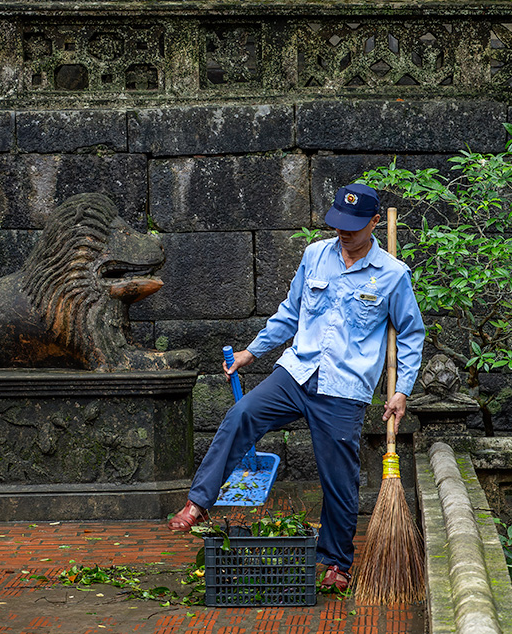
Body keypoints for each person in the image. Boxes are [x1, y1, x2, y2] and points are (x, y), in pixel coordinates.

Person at [167, 183, 425, 592]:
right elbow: (290, 313)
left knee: (338, 478)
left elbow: (411, 335)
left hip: (344, 388)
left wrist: (401, 391)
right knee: (241, 414)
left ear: (375, 223)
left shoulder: (393, 276)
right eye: (339, 222)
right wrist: (252, 352)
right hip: (296, 372)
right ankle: (198, 502)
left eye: (355, 226)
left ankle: (336, 561)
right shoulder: (314, 256)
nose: (344, 232)